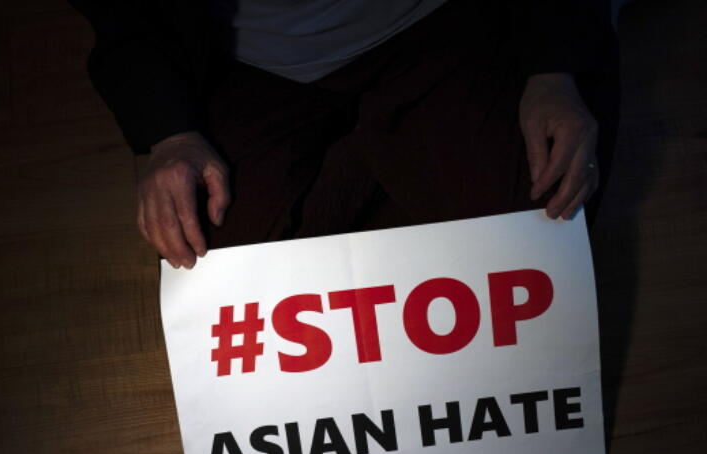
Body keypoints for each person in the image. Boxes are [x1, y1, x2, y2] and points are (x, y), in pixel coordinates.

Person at [69, 0, 620, 269]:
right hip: (249, 61)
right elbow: (123, 12)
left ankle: (398, 132)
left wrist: (553, 70)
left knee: (545, 220)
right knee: (216, 268)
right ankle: (396, 134)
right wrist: (170, 134)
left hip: (443, 23)